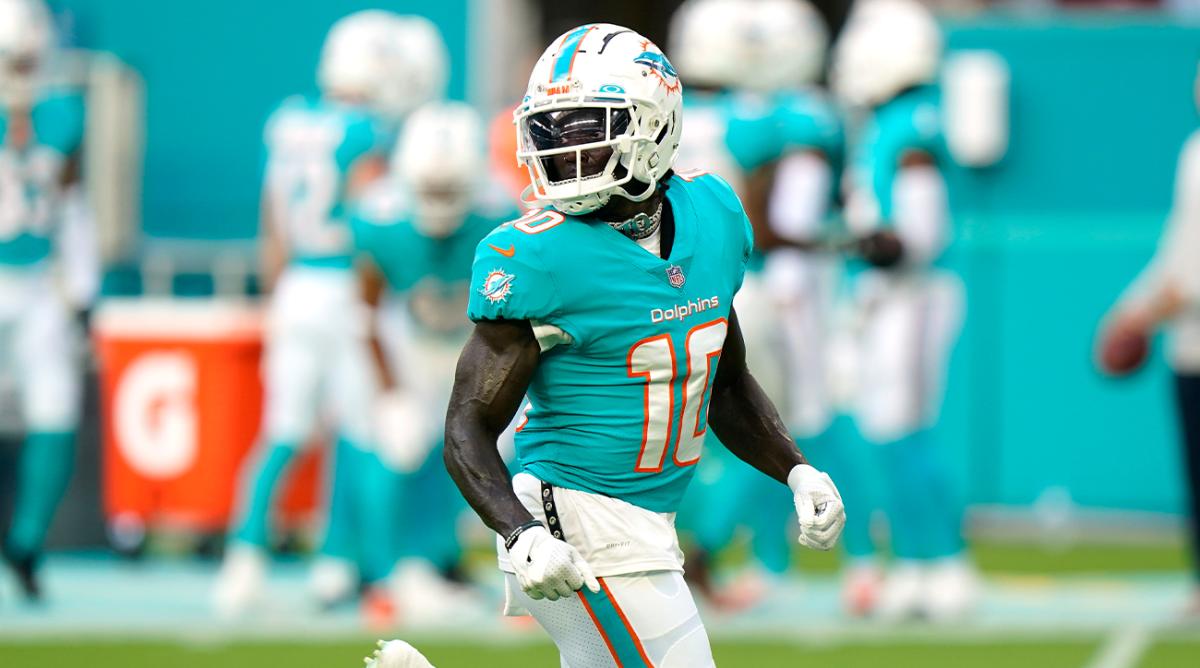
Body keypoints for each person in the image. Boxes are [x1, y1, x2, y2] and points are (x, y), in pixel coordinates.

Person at [443, 24, 845, 666]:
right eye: (551, 129)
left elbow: (723, 378)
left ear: (654, 127)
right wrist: (520, 535)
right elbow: (467, 422)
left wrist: (795, 470)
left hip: (649, 523)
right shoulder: (537, 256)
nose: (562, 149)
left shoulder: (712, 214)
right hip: (571, 518)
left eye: (585, 127)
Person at [213, 10, 443, 616]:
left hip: (295, 289)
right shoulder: (367, 134)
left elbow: (272, 227)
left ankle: (244, 560)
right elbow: (374, 219)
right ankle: (382, 576)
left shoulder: (289, 122)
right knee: (370, 435)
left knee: (283, 433)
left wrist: (277, 296)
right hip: (347, 290)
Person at [669, 0, 845, 608]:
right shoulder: (772, 121)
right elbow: (768, 226)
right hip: (748, 287)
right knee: (762, 428)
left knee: (682, 435)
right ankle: (705, 552)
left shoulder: (675, 119)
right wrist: (837, 237)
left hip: (669, 292)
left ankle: (692, 553)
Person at [829, 0, 974, 620]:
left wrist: (846, 239)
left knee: (905, 432)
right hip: (889, 297)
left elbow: (917, 233)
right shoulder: (894, 121)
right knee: (889, 436)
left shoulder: (911, 125)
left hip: (909, 295)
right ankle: (918, 560)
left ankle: (945, 562)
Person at [351, 100, 516, 623]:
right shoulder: (380, 218)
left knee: (493, 454)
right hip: (413, 345)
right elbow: (367, 313)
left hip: (477, 345)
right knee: (397, 447)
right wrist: (389, 390)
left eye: (450, 189)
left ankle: (448, 562)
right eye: (431, 188)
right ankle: (378, 577)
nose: (440, 200)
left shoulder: (503, 210)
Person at [1098, 61, 1200, 614]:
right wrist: (1130, 309)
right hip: (1190, 345)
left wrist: (1146, 313)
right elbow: (1178, 250)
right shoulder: (1193, 152)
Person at [0, 0, 90, 602]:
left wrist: (82, 287)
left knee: (57, 414)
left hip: (36, 285)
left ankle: (27, 540)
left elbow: (71, 204)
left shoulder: (63, 113)